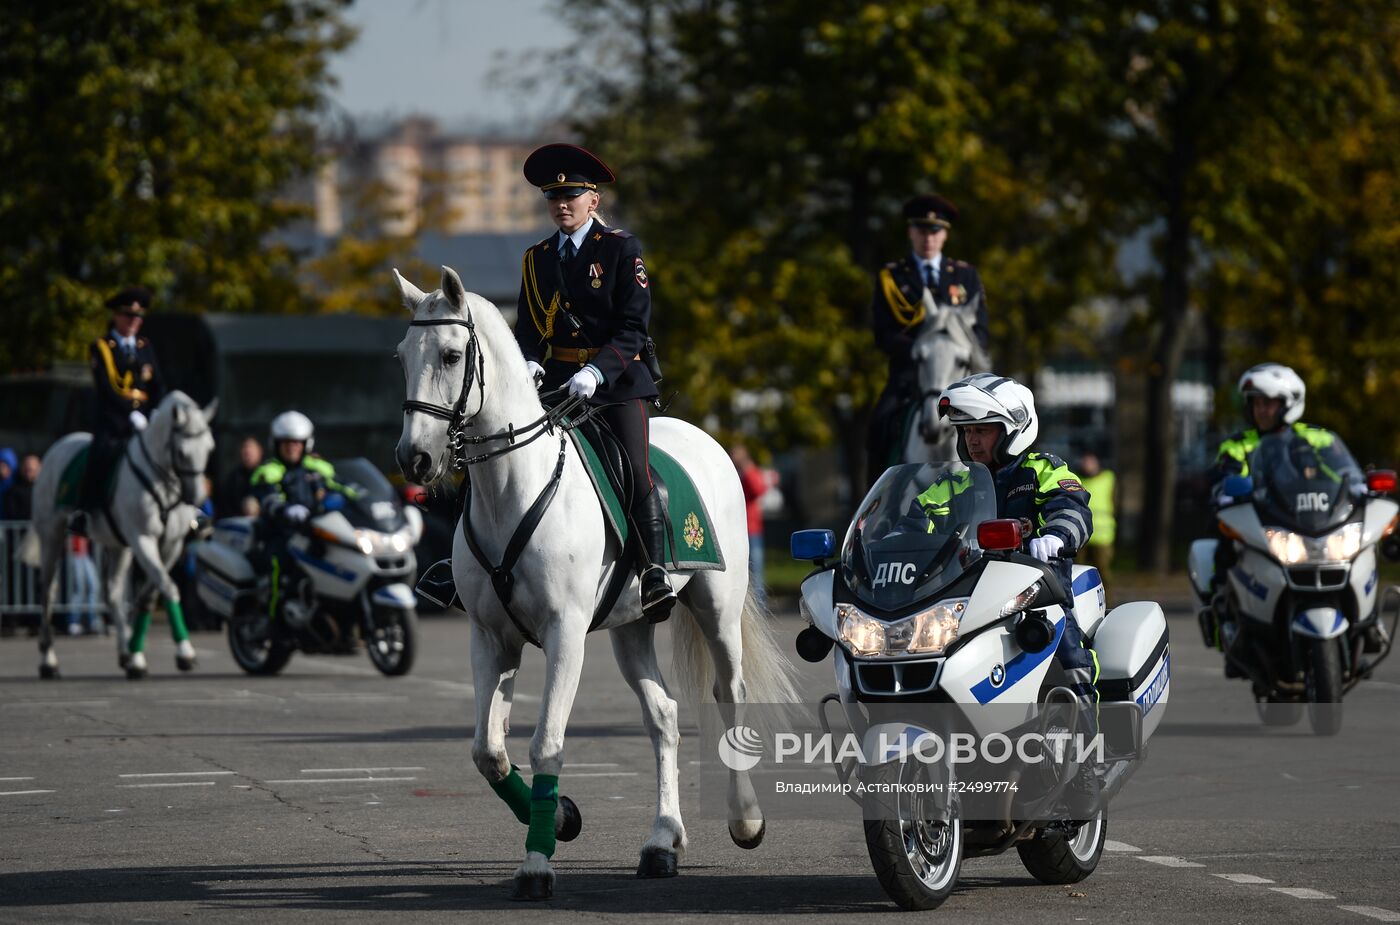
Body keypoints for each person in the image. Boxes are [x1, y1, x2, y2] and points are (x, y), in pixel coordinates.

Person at [512, 143, 676, 623]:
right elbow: (526, 328)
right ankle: (460, 566)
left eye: (572, 195)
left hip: (617, 383)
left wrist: (596, 370)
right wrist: (528, 361)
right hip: (557, 382)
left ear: (593, 201)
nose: (562, 204)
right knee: (495, 447)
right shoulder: (536, 258)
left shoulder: (622, 249)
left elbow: (633, 328)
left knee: (633, 468)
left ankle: (653, 571)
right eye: (553, 196)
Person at [915, 373, 1097, 702]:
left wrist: (1056, 536)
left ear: (1014, 428)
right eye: (967, 431)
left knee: (1068, 655)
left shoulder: (1041, 470)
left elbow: (1073, 509)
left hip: (1036, 597)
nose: (972, 440)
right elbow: (914, 520)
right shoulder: (955, 485)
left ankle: (1087, 743)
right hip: (965, 600)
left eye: (981, 430)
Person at [867, 194, 990, 486]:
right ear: (911, 232)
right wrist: (926, 351)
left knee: (998, 426)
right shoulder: (893, 277)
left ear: (945, 234)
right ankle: (875, 505)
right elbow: (883, 333)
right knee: (879, 425)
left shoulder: (965, 276)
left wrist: (952, 352)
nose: (928, 238)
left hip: (959, 375)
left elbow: (981, 332)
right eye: (922, 230)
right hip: (910, 377)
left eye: (935, 231)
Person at [70, 286, 164, 536]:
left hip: (144, 419)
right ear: (116, 316)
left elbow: (157, 385)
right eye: (128, 315)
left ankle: (183, 508)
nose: (134, 321)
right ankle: (85, 510)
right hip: (114, 422)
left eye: (139, 317)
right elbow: (107, 390)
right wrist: (130, 416)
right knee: (101, 453)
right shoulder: (102, 347)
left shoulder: (145, 346)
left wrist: (153, 412)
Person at [249, 411, 354, 619]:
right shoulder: (269, 470)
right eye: (286, 443)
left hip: (314, 530)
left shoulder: (318, 467)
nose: (292, 447)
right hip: (280, 533)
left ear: (306, 443)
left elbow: (343, 486)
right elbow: (268, 498)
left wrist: (364, 497)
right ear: (276, 444)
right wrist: (285, 509)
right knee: (280, 564)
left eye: (297, 443)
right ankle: (274, 620)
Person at [731, 444, 770, 611]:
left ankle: (759, 605)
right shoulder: (734, 473)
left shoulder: (749, 471)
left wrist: (746, 466)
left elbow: (758, 489)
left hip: (751, 529)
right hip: (738, 529)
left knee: (755, 570)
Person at [1077, 452, 1117, 581]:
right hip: (1081, 534)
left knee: (1103, 573)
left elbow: (1115, 501)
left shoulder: (1108, 479)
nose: (1087, 465)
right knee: (1078, 572)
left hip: (1102, 536)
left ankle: (1107, 600)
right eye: (1085, 462)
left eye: (1090, 462)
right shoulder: (1076, 480)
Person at [218, 436, 264, 517]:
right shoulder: (233, 478)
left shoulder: (268, 475)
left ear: (260, 451)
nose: (247, 451)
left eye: (251, 447)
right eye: (244, 448)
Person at [3, 454, 40, 520]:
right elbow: (12, 514)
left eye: (31, 470)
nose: (29, 473)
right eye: (27, 470)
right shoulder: (13, 491)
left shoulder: (45, 491)